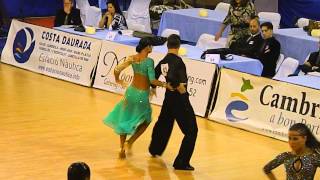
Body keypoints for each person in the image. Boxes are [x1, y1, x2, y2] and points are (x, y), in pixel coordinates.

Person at [103, 37, 171, 159]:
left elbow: (117, 69)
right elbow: (152, 80)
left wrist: (118, 80)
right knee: (146, 120)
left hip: (130, 92)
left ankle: (121, 148)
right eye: (151, 46)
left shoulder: (132, 58)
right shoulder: (149, 61)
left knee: (125, 119)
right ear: (147, 47)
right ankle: (130, 142)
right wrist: (165, 84)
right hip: (142, 95)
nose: (152, 48)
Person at [149, 34, 198, 171]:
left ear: (168, 45)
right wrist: (182, 93)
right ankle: (181, 162)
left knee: (164, 123)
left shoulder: (164, 60)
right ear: (179, 46)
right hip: (179, 100)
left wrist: (158, 87)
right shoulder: (178, 62)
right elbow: (179, 82)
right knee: (191, 131)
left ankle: (155, 148)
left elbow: (153, 75)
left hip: (168, 98)